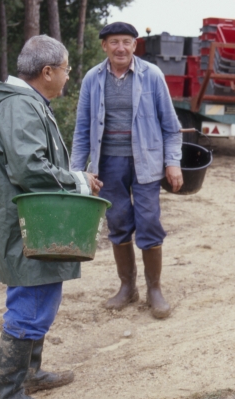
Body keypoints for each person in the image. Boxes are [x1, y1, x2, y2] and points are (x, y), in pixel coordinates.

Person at [0, 35, 102, 399]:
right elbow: (29, 169)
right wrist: (78, 181)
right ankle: (9, 398)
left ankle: (29, 373)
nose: (68, 76)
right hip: (26, 222)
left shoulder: (28, 104)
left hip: (34, 219)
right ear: (47, 71)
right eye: (66, 69)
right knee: (30, 301)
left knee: (41, 292)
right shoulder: (19, 108)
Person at [71, 21, 183, 317]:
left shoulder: (152, 76)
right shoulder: (92, 79)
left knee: (148, 221)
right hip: (108, 164)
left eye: (126, 42)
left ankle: (154, 290)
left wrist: (172, 162)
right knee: (118, 222)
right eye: (114, 42)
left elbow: (172, 127)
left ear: (135, 45)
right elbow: (82, 129)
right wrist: (77, 171)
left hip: (146, 161)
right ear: (104, 46)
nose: (120, 47)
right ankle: (127, 288)